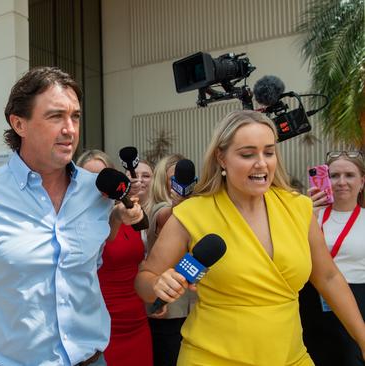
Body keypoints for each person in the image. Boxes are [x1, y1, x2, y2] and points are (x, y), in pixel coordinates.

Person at [0, 66, 143, 366]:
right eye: (56, 116)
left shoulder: (96, 194)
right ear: (19, 123)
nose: (70, 129)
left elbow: (87, 266)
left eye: (75, 116)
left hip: (92, 359)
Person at [135, 110, 365, 365]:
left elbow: (329, 277)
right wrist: (157, 284)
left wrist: (363, 339)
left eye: (268, 152)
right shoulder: (191, 213)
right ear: (221, 158)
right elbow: (144, 280)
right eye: (247, 154)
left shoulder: (299, 207)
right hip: (211, 358)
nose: (262, 163)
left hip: (291, 358)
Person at [77, 149, 153, 366]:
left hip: (137, 318)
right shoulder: (79, 221)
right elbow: (107, 236)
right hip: (102, 321)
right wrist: (118, 216)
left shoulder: (129, 210)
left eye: (103, 175)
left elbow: (142, 260)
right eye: (90, 178)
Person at [300, 150, 365, 366]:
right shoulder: (308, 216)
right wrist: (307, 215)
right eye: (334, 175)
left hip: (357, 300)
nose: (341, 182)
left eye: (349, 175)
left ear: (362, 181)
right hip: (311, 302)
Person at [140, 153, 197, 366]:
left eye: (185, 179)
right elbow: (171, 216)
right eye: (175, 179)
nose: (182, 184)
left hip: (195, 309)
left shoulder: (196, 209)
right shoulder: (159, 210)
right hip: (169, 312)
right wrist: (180, 202)